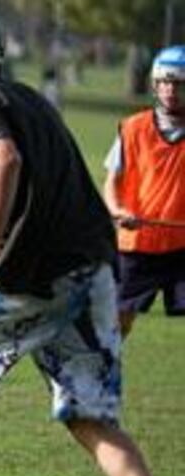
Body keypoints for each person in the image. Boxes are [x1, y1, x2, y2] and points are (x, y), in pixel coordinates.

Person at [0, 8, 183, 476]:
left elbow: (6, 160)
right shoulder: (30, 98)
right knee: (89, 413)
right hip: (97, 268)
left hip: (40, 276)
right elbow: (46, 191)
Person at [103, 45, 185, 339]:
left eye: (178, 83)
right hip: (137, 246)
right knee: (118, 323)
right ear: (154, 84)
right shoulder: (133, 129)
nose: (170, 90)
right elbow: (111, 182)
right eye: (164, 82)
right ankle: (101, 379)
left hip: (182, 246)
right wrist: (116, 210)